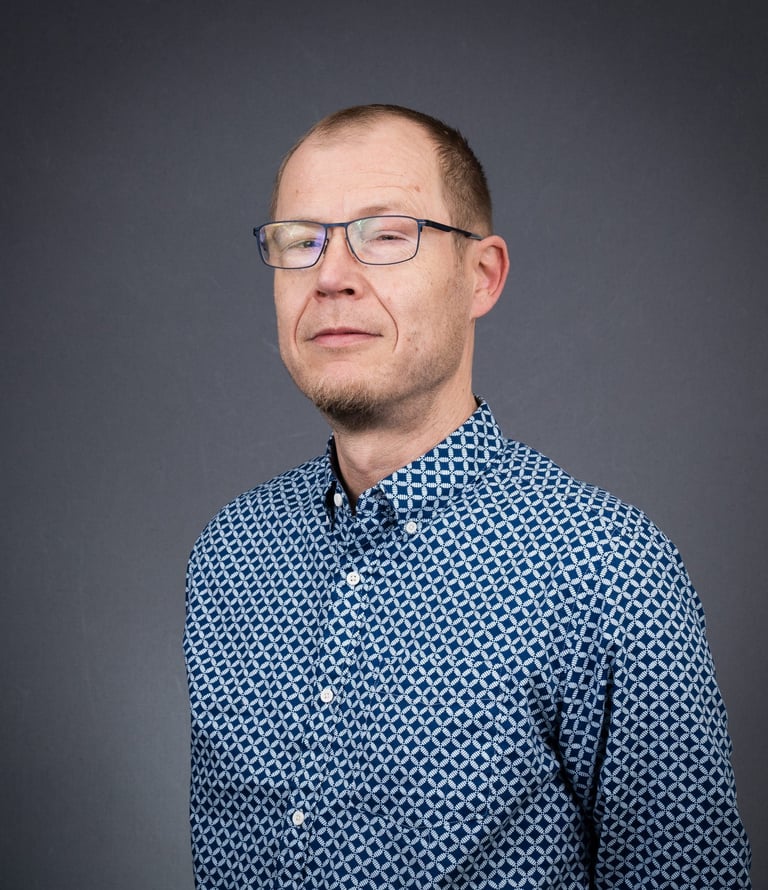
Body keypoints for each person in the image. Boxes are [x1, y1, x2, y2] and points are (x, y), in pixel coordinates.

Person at [184, 104, 751, 888]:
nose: (331, 276)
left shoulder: (608, 571)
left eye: (385, 235)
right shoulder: (230, 555)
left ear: (480, 276)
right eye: (300, 240)